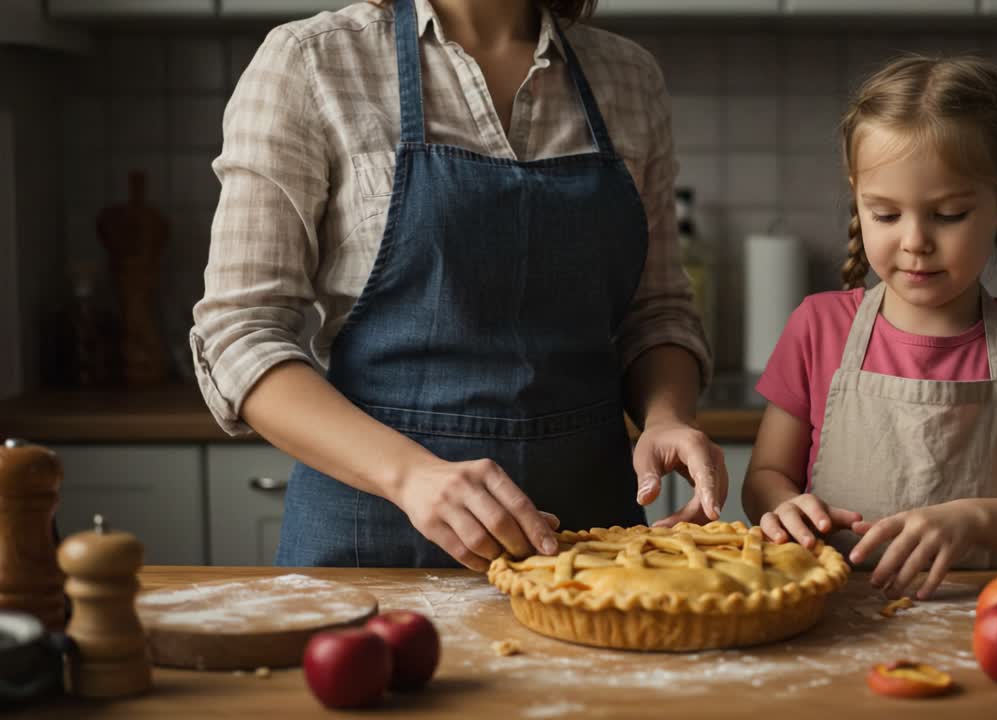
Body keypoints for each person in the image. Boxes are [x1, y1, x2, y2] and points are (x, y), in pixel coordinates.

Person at [191, 0, 726, 571]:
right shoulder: (312, 61)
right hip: (371, 542)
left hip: (588, 544)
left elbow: (657, 312)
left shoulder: (629, 76)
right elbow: (240, 335)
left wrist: (668, 417)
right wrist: (411, 476)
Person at [742, 55, 997, 601]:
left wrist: (972, 521)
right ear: (857, 198)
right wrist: (783, 506)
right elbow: (765, 476)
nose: (915, 241)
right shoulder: (818, 327)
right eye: (886, 215)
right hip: (836, 618)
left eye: (949, 214)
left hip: (994, 619)